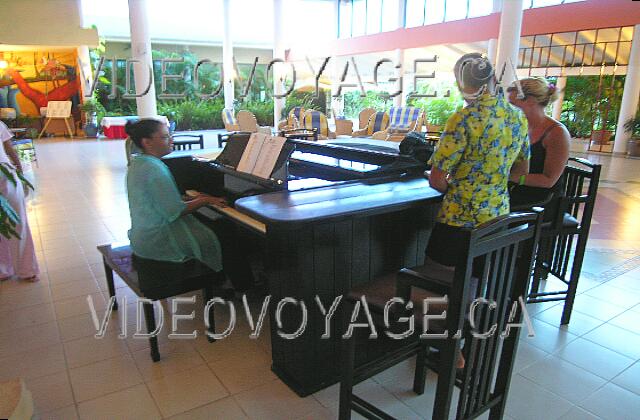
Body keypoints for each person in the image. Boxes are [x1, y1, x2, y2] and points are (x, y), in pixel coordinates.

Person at [426, 53, 530, 267]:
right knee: (480, 282)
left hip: (458, 221)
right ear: (493, 79)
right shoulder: (518, 116)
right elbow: (522, 170)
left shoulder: (463, 119)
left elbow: (436, 180)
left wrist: (461, 189)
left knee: (437, 281)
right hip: (499, 216)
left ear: (461, 85)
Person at [125, 119, 228, 283]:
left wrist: (192, 198)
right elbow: (176, 211)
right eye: (165, 137)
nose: (171, 140)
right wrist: (206, 200)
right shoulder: (154, 168)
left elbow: (157, 199)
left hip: (142, 235)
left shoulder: (140, 163)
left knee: (218, 226)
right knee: (222, 232)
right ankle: (232, 283)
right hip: (158, 239)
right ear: (147, 142)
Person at [507, 77, 570, 214]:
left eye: (512, 104)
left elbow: (549, 180)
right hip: (518, 191)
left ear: (531, 101)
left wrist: (509, 176)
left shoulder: (557, 133)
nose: (508, 109)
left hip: (542, 202)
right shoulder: (518, 126)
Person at [0, 120, 39, 282]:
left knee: (13, 223)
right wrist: (21, 176)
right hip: (5, 174)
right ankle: (26, 269)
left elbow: (10, 150)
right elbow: (11, 151)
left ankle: (5, 269)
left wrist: (21, 176)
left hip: (5, 175)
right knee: (18, 222)